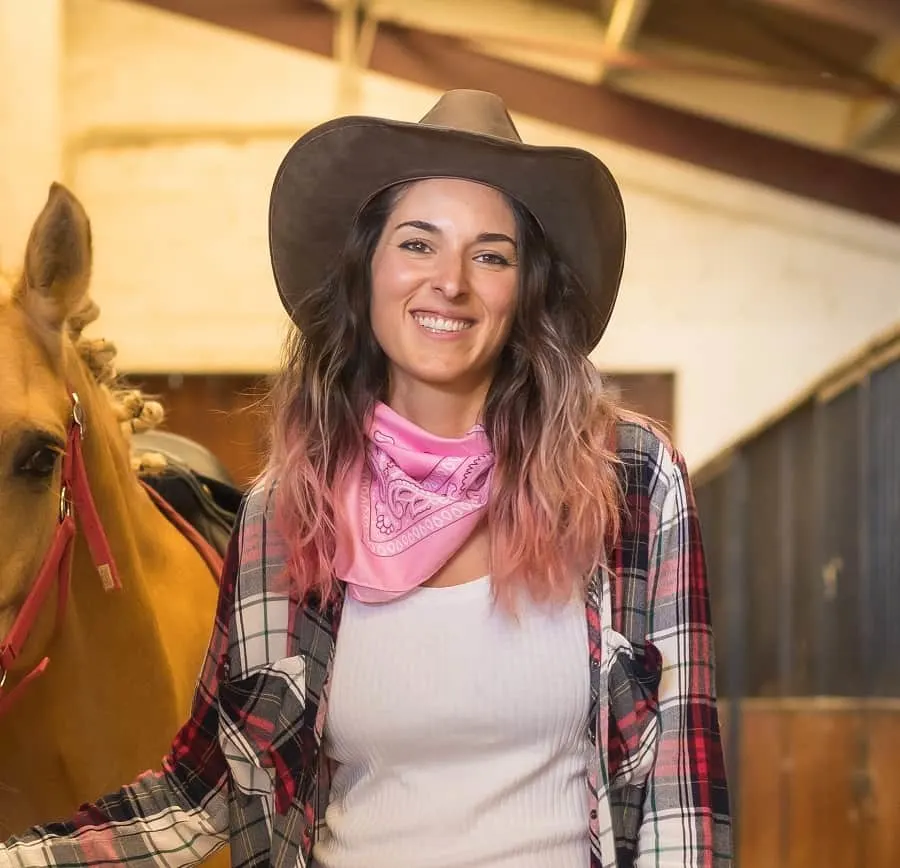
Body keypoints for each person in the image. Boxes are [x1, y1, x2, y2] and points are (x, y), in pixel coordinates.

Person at [0, 89, 731, 867]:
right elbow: (207, 791)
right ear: (368, 269)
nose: (449, 281)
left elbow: (677, 798)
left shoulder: (629, 477)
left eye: (491, 254)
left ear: (527, 291)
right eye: (418, 244)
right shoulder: (287, 510)